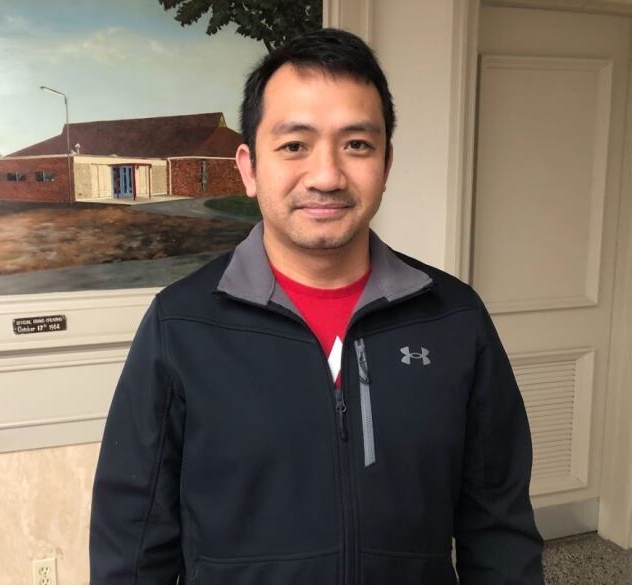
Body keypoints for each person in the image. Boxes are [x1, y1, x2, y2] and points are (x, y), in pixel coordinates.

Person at [90, 27, 544, 585]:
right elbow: (133, 543)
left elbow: (498, 527)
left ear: (386, 163)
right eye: (293, 145)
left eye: (357, 144)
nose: (327, 176)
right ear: (249, 167)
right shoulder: (180, 325)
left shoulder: (454, 318)